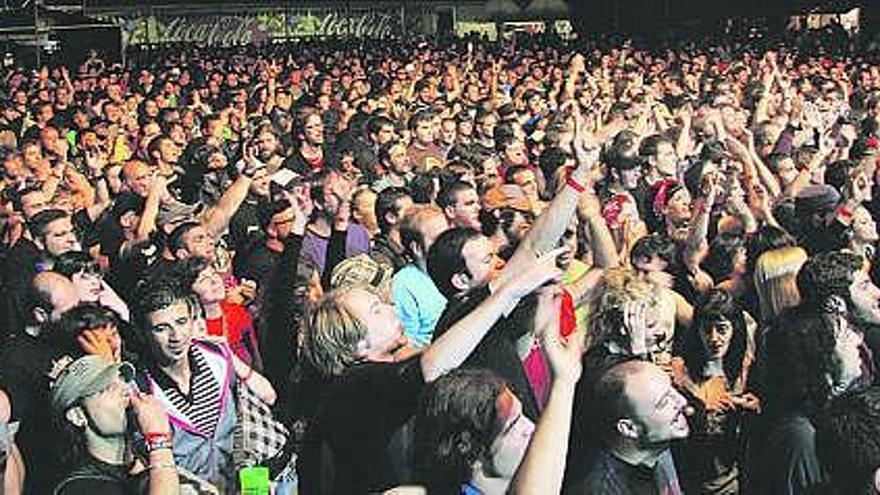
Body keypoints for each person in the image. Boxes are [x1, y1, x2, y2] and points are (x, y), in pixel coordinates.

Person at [298, 245, 564, 494]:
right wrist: (510, 291)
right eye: (377, 310)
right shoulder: (353, 386)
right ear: (354, 342)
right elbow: (432, 366)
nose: (392, 309)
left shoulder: (369, 377)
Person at [49, 355, 180, 494]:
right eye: (107, 388)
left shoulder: (146, 456)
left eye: (123, 380)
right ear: (77, 416)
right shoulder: (79, 488)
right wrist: (159, 441)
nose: (126, 390)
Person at [569, 360, 690, 494]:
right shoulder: (602, 489)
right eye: (663, 402)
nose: (682, 401)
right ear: (629, 429)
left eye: (672, 390)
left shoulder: (658, 444)